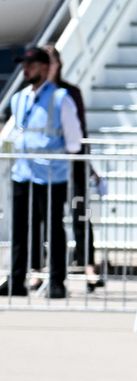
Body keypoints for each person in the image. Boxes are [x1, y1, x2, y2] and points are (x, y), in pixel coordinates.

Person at [0, 47, 83, 298]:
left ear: (46, 67)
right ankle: (16, 279)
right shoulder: (19, 98)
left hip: (50, 175)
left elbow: (74, 141)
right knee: (20, 229)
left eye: (32, 64)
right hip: (23, 172)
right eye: (25, 64)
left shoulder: (61, 99)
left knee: (53, 229)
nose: (26, 69)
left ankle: (57, 281)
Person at [44, 45, 103, 291]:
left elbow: (80, 134)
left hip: (73, 164)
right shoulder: (35, 94)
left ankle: (88, 263)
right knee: (45, 218)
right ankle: (41, 267)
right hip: (46, 168)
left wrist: (88, 166)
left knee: (81, 213)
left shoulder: (71, 93)